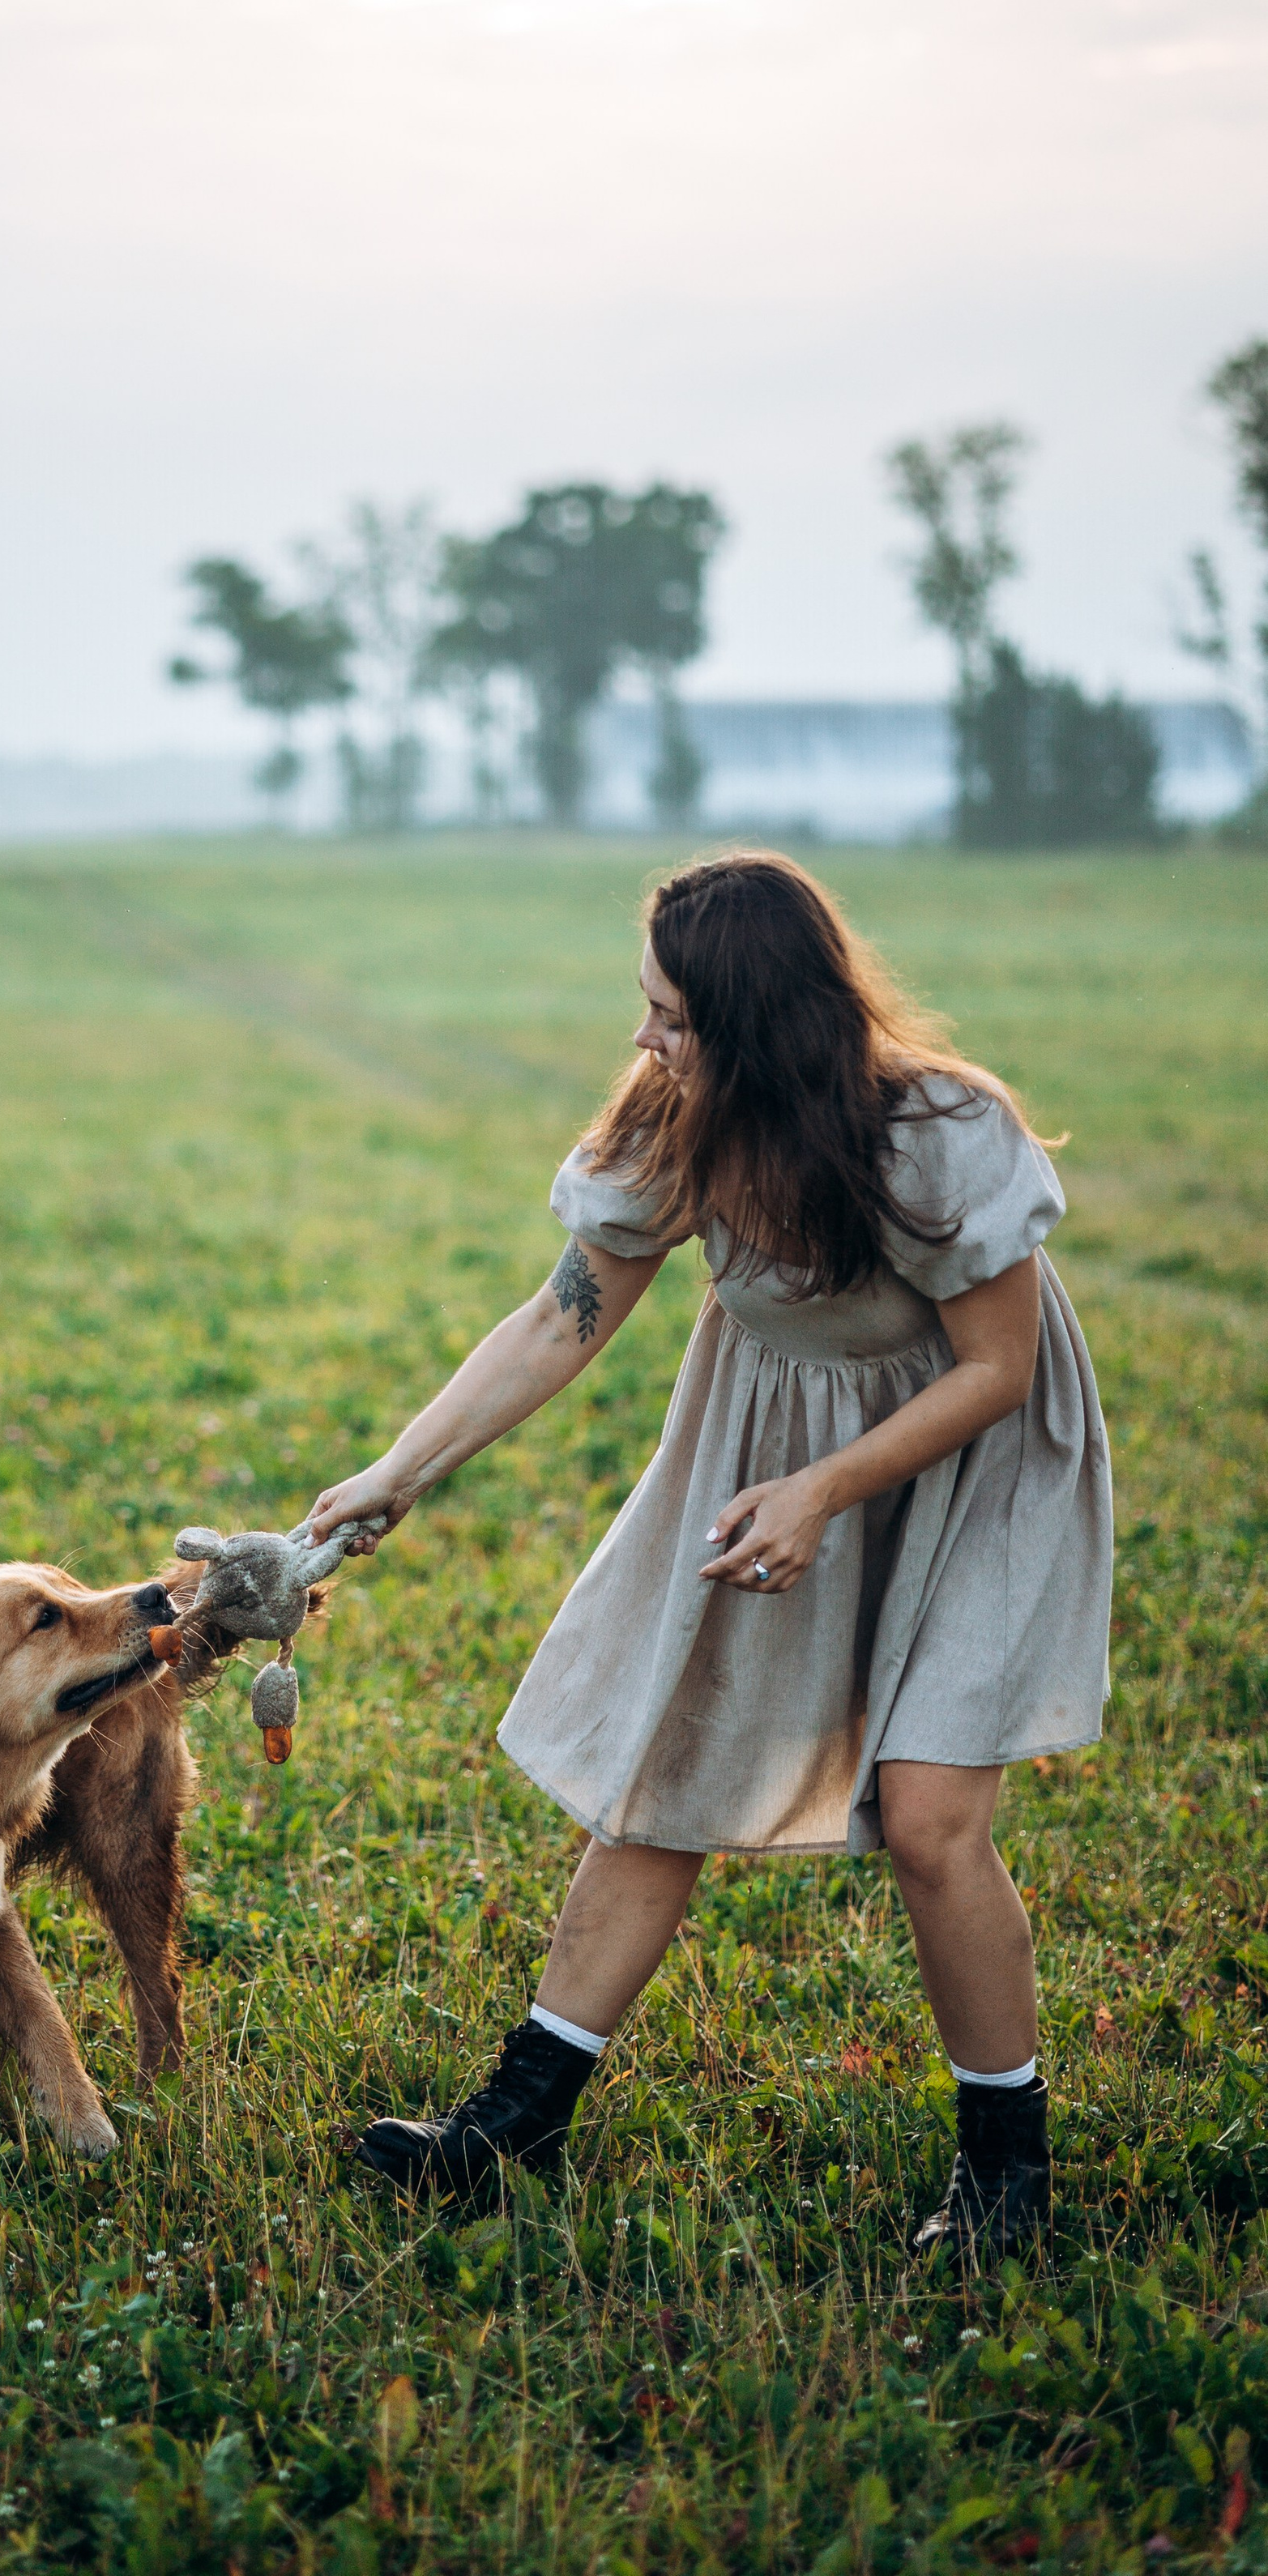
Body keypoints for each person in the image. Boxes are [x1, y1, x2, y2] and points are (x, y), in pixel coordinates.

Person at [307, 851, 1111, 2258]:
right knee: (662, 1765)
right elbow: (563, 1318)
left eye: (670, 1015)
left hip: (975, 1463)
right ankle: (514, 2129)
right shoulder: (673, 1123)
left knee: (929, 1820)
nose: (644, 1039)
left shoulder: (941, 1131)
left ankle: (1008, 2185)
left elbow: (995, 1367)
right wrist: (396, 1475)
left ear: (757, 1022)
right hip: (769, 1437)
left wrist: (823, 1492)